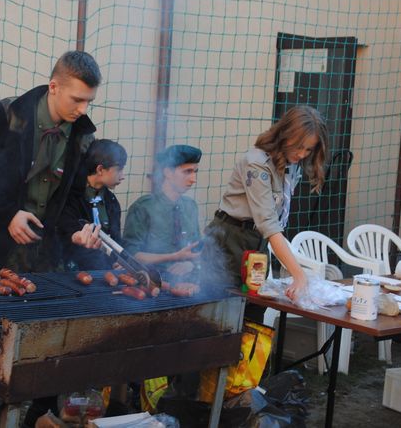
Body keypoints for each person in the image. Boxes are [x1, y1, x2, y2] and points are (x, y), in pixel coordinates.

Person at [0, 50, 102, 274]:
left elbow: (72, 199)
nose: (83, 110)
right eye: (77, 100)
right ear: (53, 87)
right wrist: (8, 213)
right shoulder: (6, 115)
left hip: (47, 257)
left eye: (89, 101)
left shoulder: (82, 138)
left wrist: (74, 232)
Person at [204, 105, 327, 310]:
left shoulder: (291, 163)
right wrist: (299, 275)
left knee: (256, 311)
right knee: (227, 313)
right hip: (230, 239)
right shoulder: (257, 163)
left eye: (308, 149)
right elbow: (268, 222)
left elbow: (274, 220)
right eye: (298, 146)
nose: (302, 154)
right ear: (284, 134)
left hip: (257, 241)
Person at [123, 144, 202, 282]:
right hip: (152, 281)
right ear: (168, 172)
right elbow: (131, 255)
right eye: (187, 171)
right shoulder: (143, 207)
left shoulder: (191, 206)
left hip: (186, 282)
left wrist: (189, 264)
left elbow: (196, 249)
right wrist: (173, 257)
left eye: (195, 172)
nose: (193, 179)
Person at [58, 139, 127, 270]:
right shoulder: (69, 196)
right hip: (71, 272)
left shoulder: (111, 201)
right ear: (100, 169)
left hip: (104, 275)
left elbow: (116, 240)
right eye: (119, 169)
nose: (122, 176)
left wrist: (119, 261)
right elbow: (65, 231)